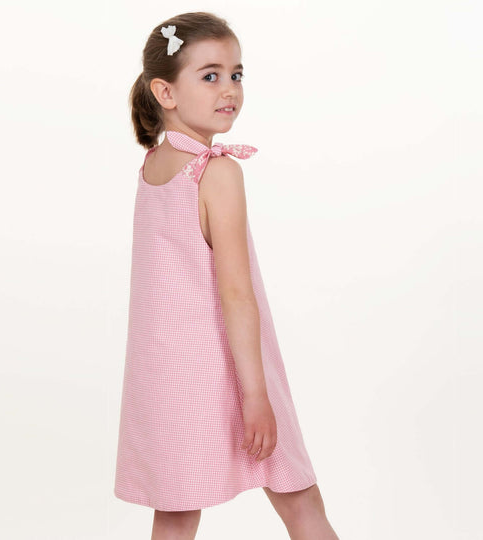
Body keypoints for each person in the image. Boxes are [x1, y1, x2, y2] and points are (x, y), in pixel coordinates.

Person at [114, 11, 340, 540]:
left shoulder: (153, 168)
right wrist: (255, 395)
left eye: (236, 74)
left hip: (166, 377)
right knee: (301, 500)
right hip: (230, 371)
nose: (230, 89)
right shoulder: (216, 172)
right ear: (165, 92)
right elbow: (236, 295)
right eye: (210, 75)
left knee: (175, 514)